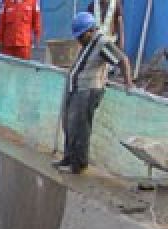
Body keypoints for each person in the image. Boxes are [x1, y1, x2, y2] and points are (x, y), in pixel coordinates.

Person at [54, 12, 132, 175]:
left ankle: (78, 164)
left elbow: (122, 60)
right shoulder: (88, 42)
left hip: (88, 91)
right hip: (76, 89)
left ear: (90, 31)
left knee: (80, 128)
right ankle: (68, 158)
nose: (78, 40)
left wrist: (128, 83)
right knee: (69, 124)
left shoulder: (102, 43)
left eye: (81, 36)